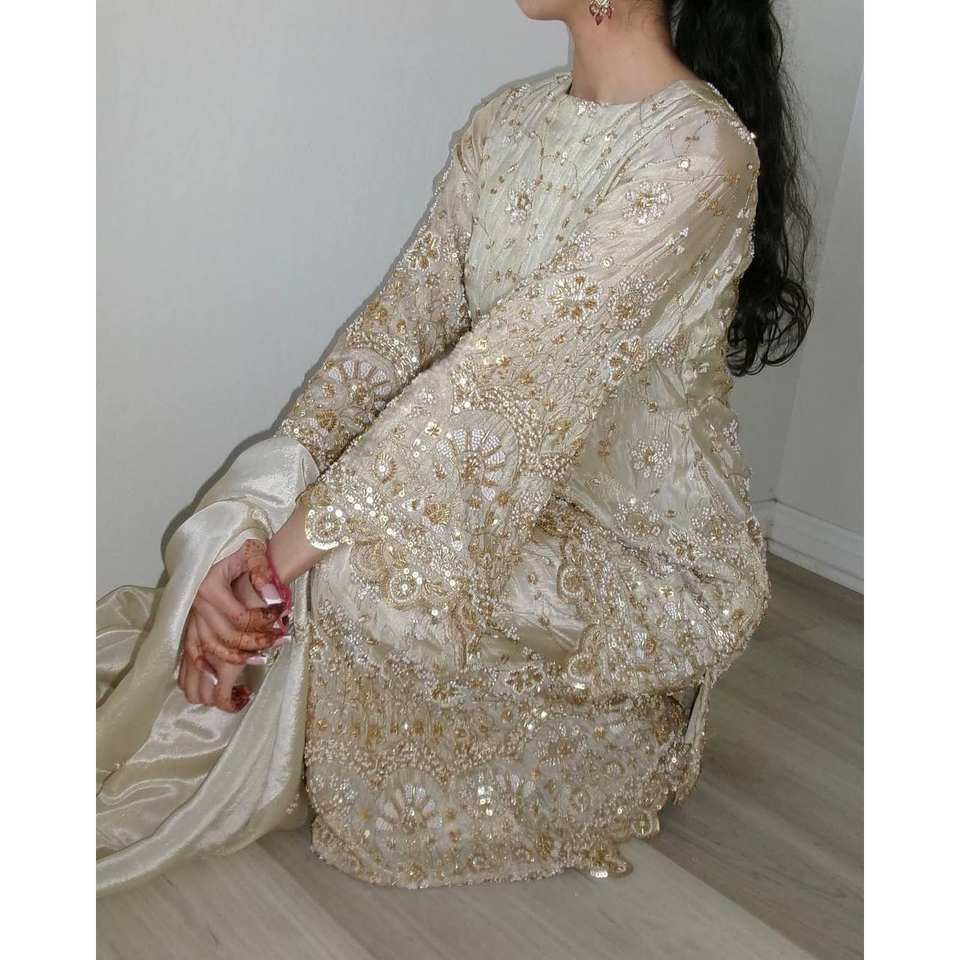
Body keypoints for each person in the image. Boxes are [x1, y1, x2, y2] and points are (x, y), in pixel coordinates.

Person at [97, 0, 812, 895]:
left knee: (363, 563)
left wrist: (272, 571)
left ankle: (619, 733)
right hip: (503, 488)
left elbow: (501, 381)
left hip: (642, 556)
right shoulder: (505, 124)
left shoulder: (700, 154)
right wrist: (264, 508)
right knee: (326, 517)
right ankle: (267, 655)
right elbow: (396, 336)